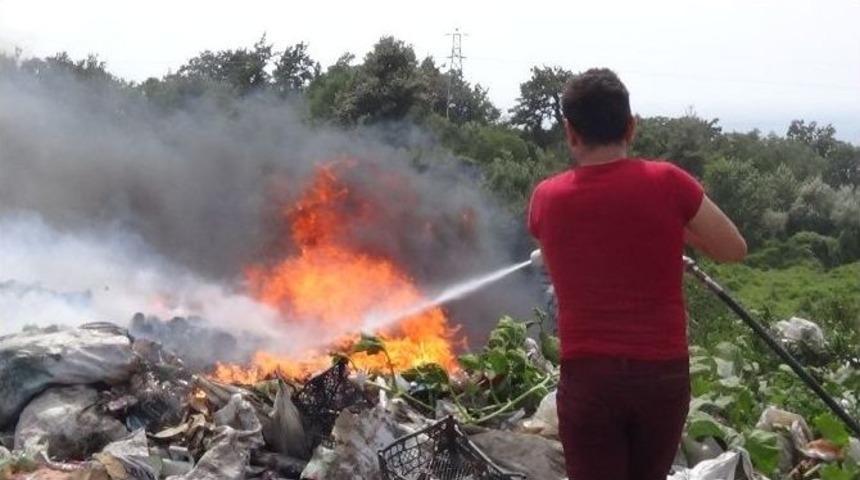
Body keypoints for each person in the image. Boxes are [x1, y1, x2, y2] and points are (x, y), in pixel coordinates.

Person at [527, 68, 746, 480]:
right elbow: (733, 249)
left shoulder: (546, 199)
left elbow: (566, 264)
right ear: (631, 126)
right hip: (661, 378)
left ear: (570, 133)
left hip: (589, 381)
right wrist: (668, 224)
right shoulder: (668, 183)